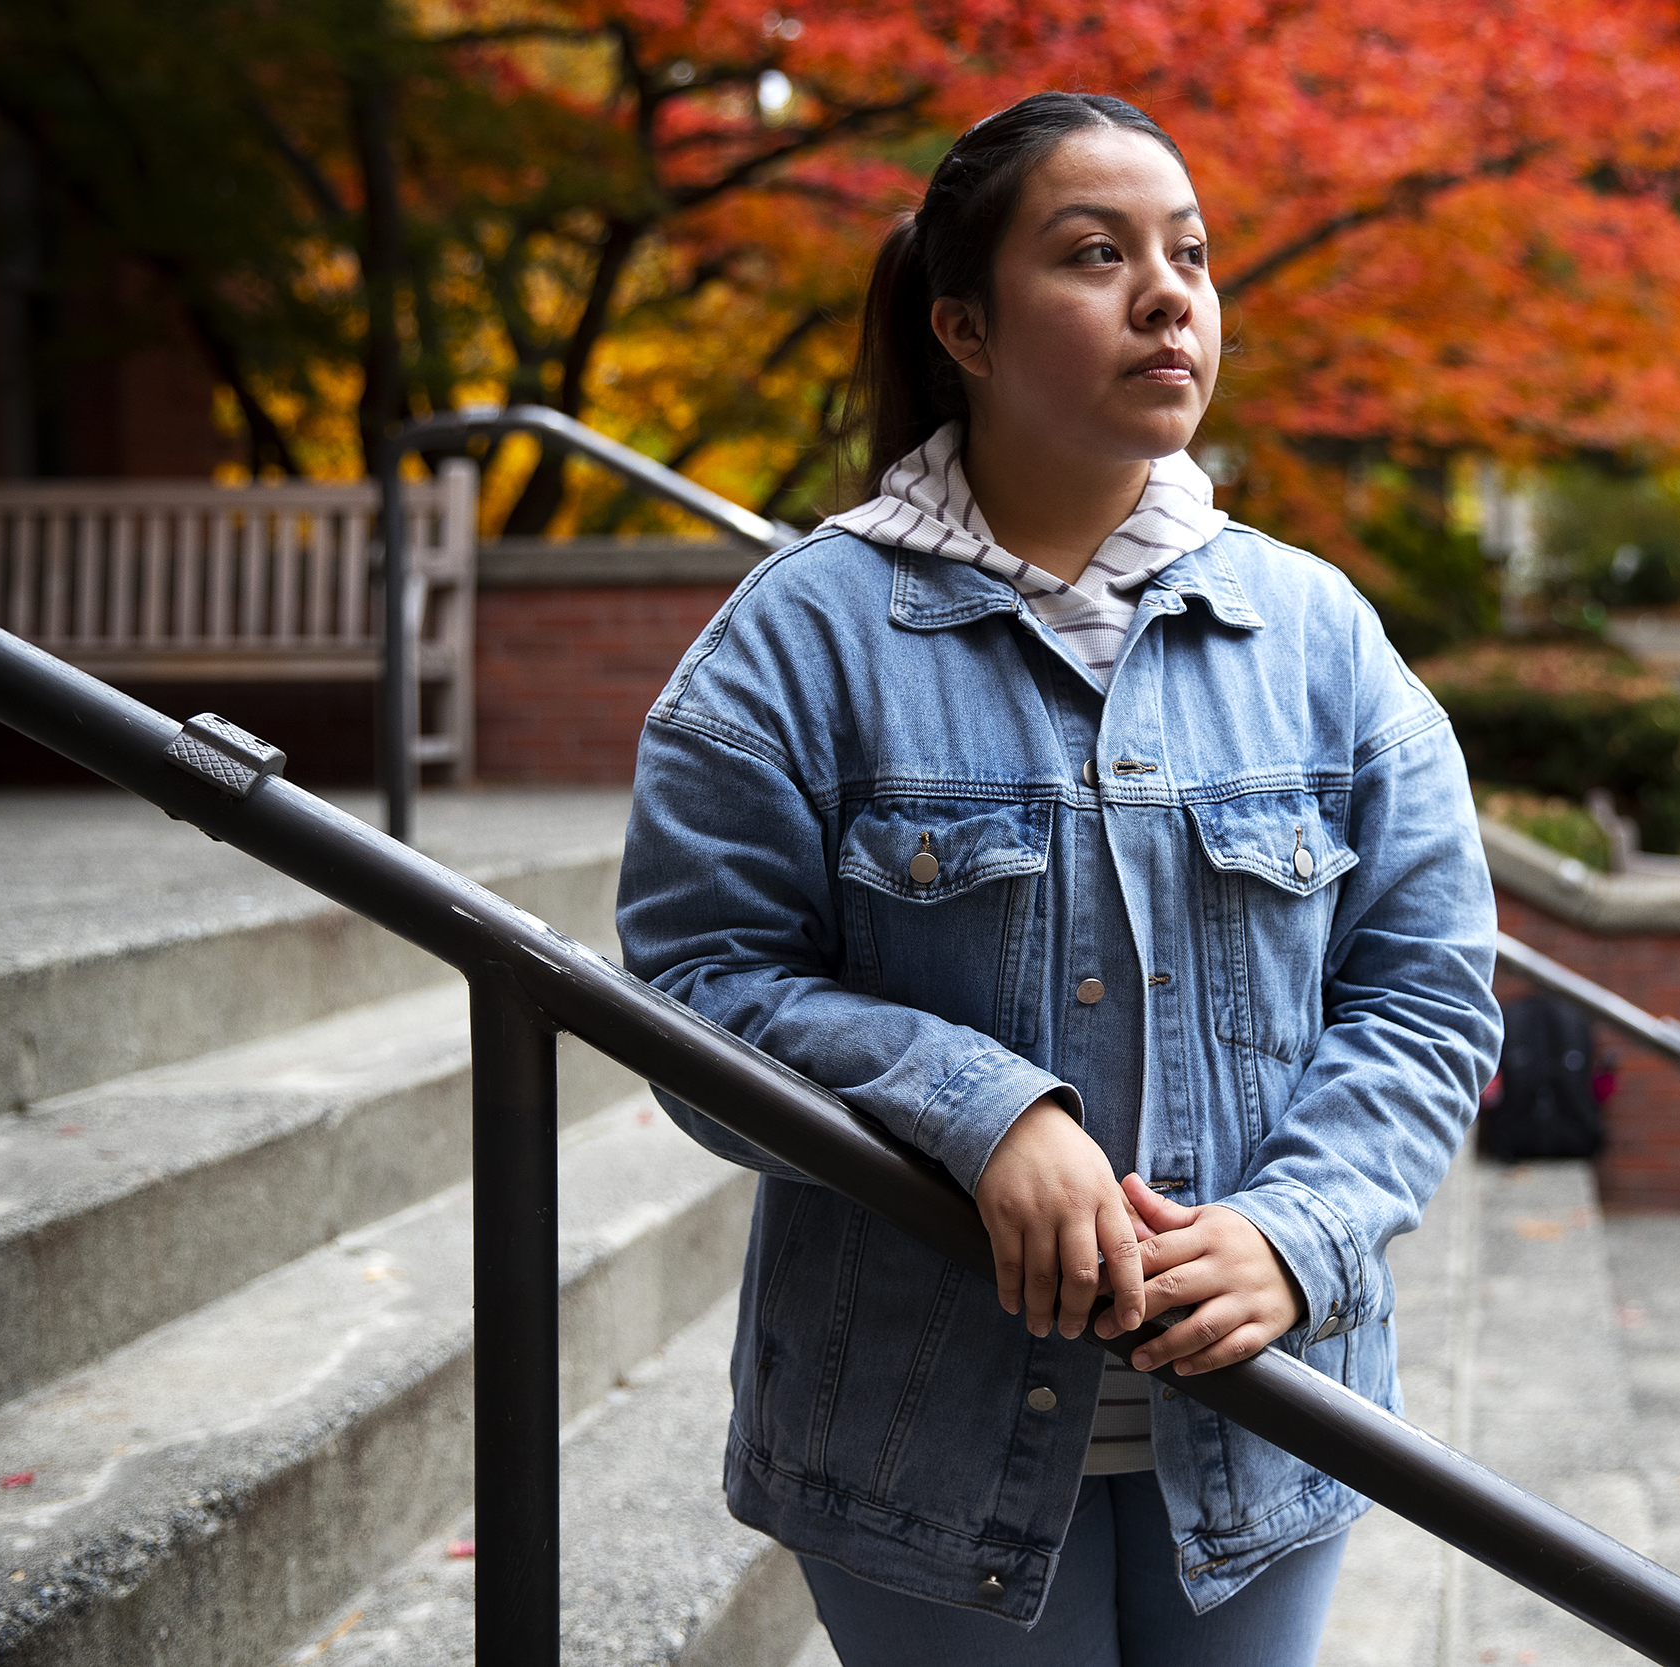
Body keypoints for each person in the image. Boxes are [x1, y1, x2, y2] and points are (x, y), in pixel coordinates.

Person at [616, 90, 1503, 1667]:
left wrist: (1300, 1230)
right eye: (1097, 254)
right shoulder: (801, 638)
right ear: (963, 326)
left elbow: (1426, 993)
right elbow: (694, 990)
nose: (1169, 294)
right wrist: (979, 1108)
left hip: (1267, 1420)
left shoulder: (1318, 635)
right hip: (913, 1441)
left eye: (1192, 254)